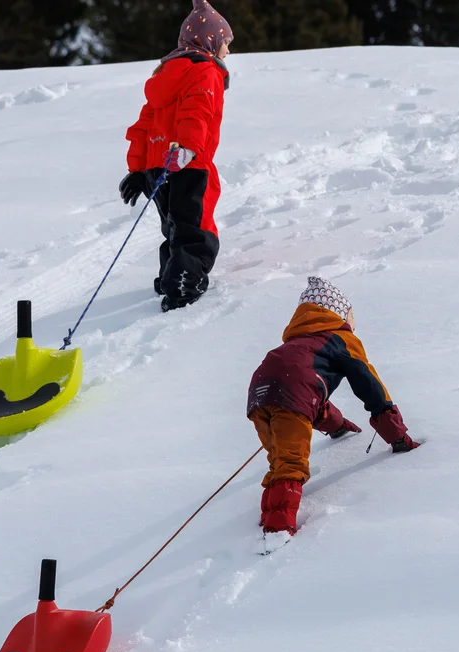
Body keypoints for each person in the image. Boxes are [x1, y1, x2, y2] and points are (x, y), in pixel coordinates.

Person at [246, 277, 421, 543]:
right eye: (351, 314)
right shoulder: (341, 338)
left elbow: (313, 402)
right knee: (291, 463)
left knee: (279, 459)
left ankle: (267, 518)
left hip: (258, 394)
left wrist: (340, 427)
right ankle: (277, 531)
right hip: (292, 394)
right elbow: (370, 386)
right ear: (338, 313)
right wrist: (397, 437)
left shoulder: (296, 345)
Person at [120, 0, 233, 312]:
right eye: (225, 42)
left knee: (174, 225)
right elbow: (197, 111)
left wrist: (138, 169)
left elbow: (144, 124)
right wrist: (188, 149)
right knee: (196, 229)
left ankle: (170, 275)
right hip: (188, 162)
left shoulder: (166, 75)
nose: (227, 50)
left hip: (159, 167)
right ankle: (183, 284)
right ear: (209, 41)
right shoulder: (205, 72)